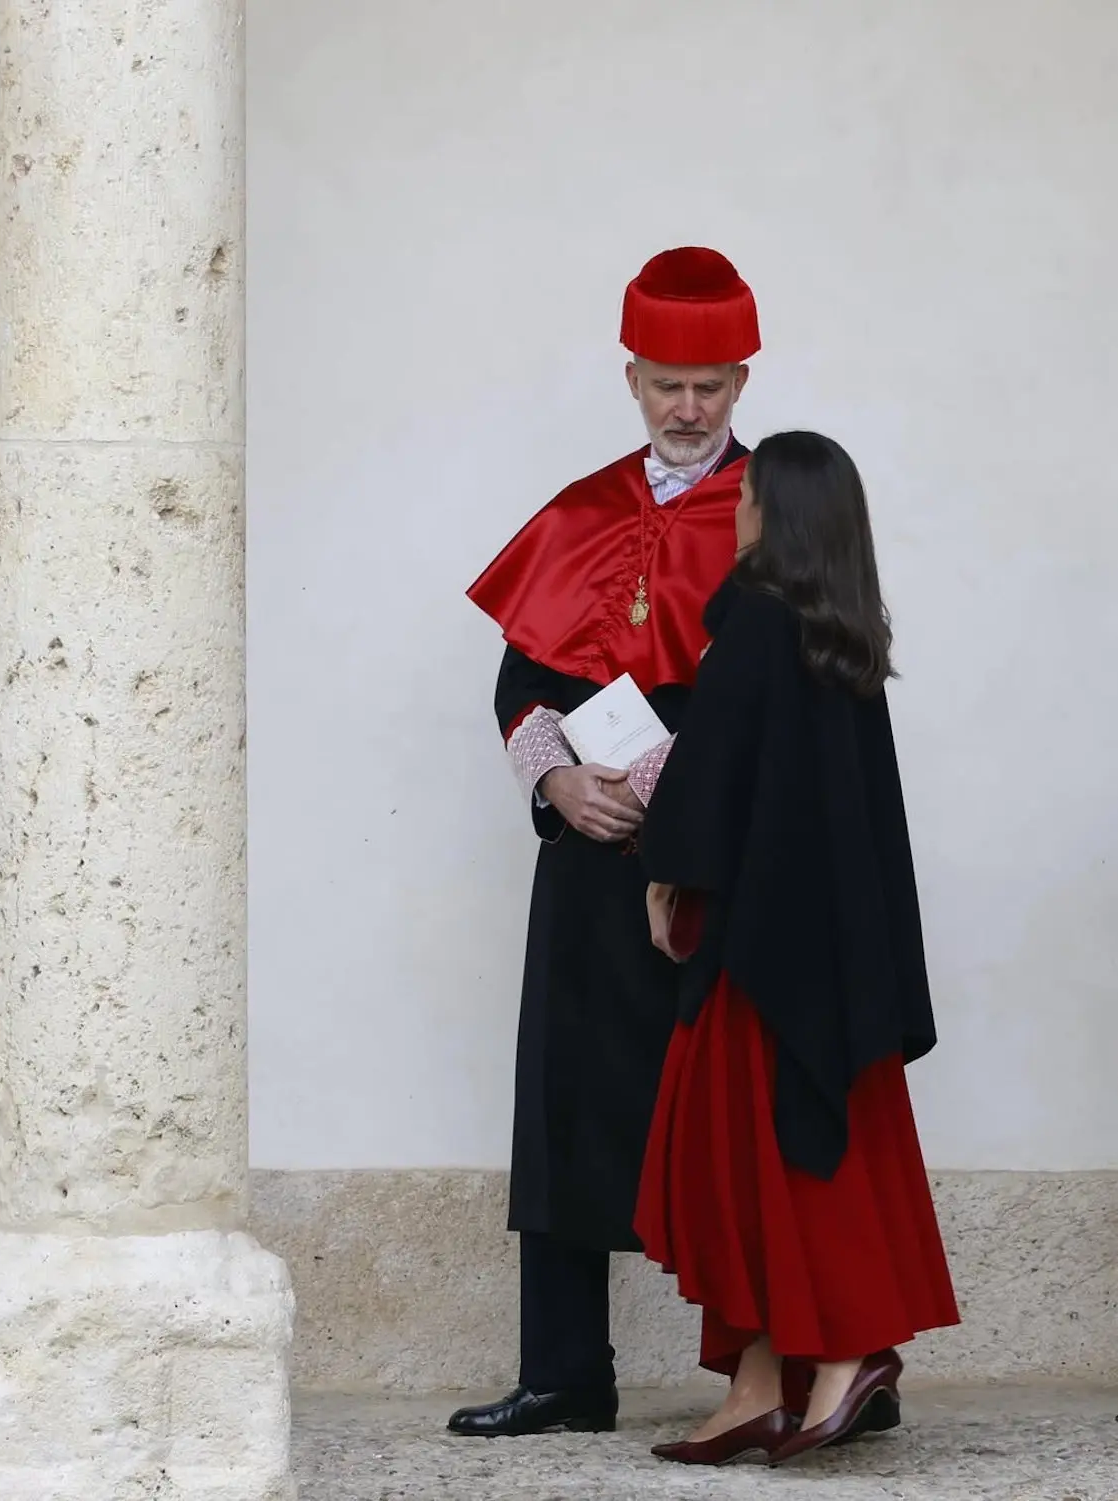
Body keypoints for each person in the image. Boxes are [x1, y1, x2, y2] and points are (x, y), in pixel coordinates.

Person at [448, 248, 762, 1438]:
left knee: (746, 1101)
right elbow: (521, 685)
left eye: (712, 387)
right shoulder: (580, 510)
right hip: (590, 855)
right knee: (568, 1094)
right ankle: (567, 1370)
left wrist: (675, 778)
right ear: (631, 377)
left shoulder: (774, 514)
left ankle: (804, 1365)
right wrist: (561, 782)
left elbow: (789, 684)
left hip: (722, 853)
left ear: (743, 380)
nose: (689, 409)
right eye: (668, 385)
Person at [633, 431, 960, 1467]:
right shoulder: (840, 634)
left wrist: (666, 871)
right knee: (780, 1156)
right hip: (829, 957)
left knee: (729, 1159)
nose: (733, 512)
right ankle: (760, 1383)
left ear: (774, 514)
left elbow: (714, 776)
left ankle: (845, 1350)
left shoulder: (756, 626)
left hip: (762, 959)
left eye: (747, 497)